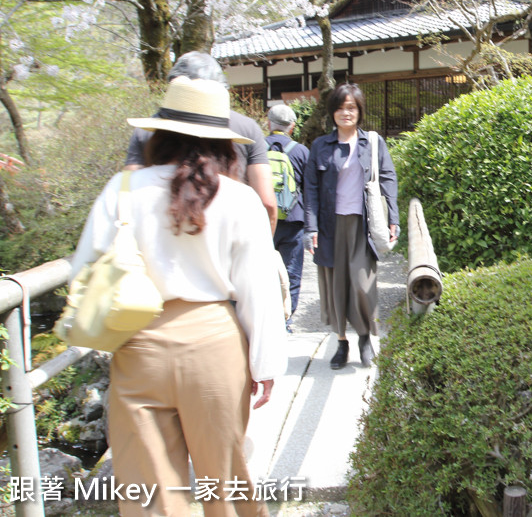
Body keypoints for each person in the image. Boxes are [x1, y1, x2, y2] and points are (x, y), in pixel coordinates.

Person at [71, 77, 287, 517]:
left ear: (159, 134)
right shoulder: (240, 199)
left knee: (150, 496)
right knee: (223, 486)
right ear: (224, 144)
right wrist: (266, 364)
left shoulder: (122, 190)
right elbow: (258, 289)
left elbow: (83, 271)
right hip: (215, 346)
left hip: (139, 346)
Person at [125, 51, 278, 230]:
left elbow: (128, 189)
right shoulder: (248, 128)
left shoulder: (145, 131)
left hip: (152, 232)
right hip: (228, 232)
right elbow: (267, 201)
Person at [304, 83, 398, 369]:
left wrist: (393, 217)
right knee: (335, 286)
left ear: (359, 111)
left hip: (362, 225)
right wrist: (311, 227)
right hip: (330, 225)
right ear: (332, 111)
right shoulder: (320, 145)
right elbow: (310, 187)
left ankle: (365, 337)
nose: (346, 113)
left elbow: (388, 178)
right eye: (341, 108)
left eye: (352, 108)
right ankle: (342, 343)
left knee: (363, 283)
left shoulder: (372, 142)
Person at [266, 103, 309, 332]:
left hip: (262, 220)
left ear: (268, 122)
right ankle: (285, 320)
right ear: (292, 127)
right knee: (292, 272)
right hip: (293, 220)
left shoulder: (256, 148)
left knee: (261, 269)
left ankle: (263, 318)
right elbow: (310, 190)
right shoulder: (301, 151)